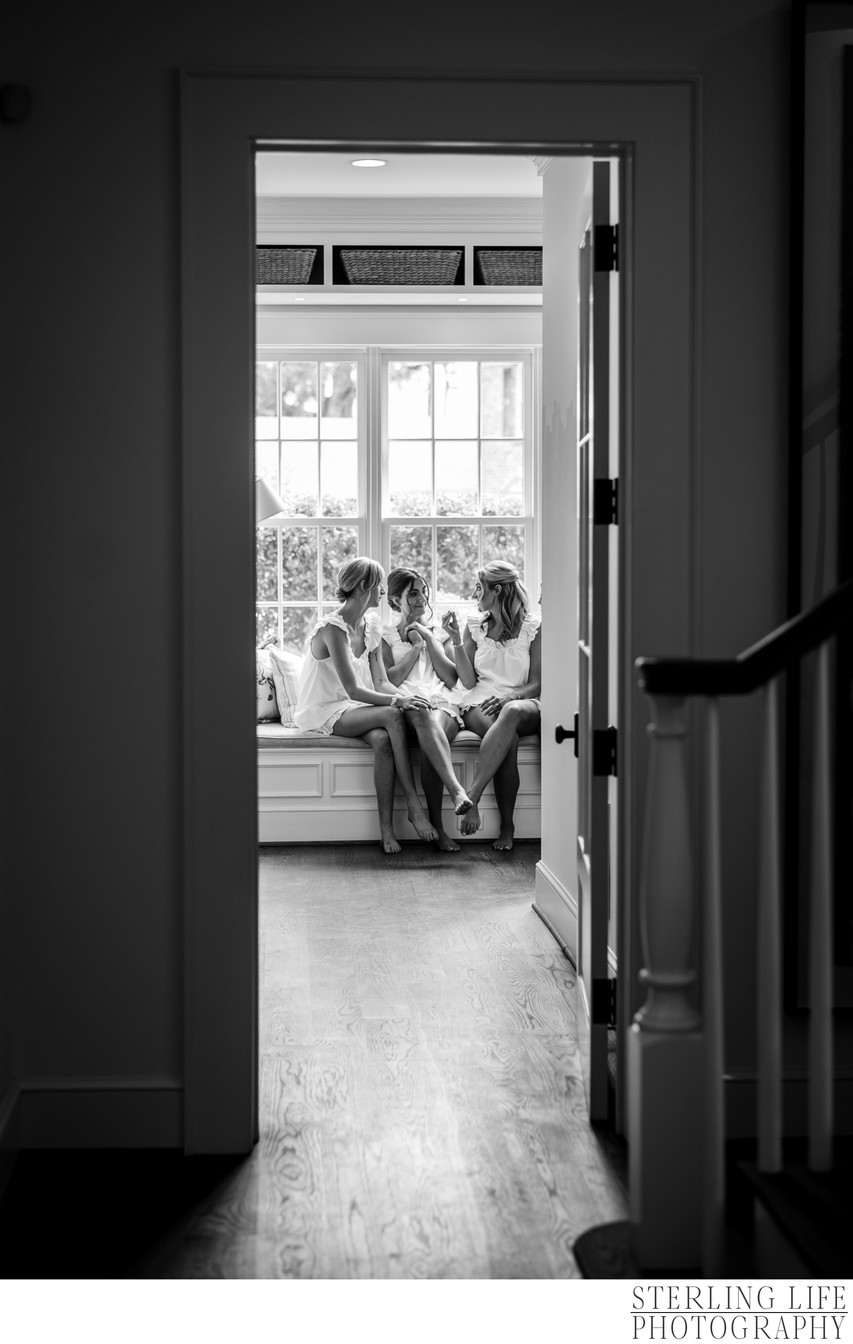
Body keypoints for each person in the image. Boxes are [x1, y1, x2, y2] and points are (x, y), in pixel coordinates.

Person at [294, 556, 438, 853]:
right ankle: (414, 804)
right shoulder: (333, 628)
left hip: (352, 709)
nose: (384, 592)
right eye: (380, 586)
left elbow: (381, 682)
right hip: (324, 709)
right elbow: (354, 688)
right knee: (393, 714)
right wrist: (400, 700)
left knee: (383, 739)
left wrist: (404, 696)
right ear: (364, 586)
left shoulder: (370, 624)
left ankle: (386, 830)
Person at [442, 560, 541, 851]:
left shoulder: (534, 627)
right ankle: (507, 826)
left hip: (522, 702)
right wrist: (455, 640)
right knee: (506, 740)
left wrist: (511, 697)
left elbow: (537, 682)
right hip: (479, 703)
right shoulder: (475, 626)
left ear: (496, 591)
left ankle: (471, 794)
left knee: (510, 714)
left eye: (478, 588)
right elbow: (469, 682)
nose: (475, 594)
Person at [379, 567, 473, 852]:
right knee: (422, 713)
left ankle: (441, 826)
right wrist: (414, 648)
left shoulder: (436, 633)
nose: (421, 598)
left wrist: (429, 638)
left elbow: (451, 678)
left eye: (423, 591)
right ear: (396, 600)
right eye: (413, 593)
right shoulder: (385, 636)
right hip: (408, 704)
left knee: (434, 732)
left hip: (442, 702)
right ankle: (456, 793)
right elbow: (389, 680)